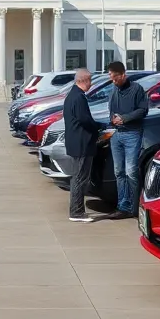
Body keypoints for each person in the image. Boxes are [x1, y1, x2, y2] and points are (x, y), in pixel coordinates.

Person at [105, 61, 149, 218]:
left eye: (115, 77)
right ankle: (122, 205)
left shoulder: (136, 89)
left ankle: (133, 206)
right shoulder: (114, 90)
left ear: (123, 74)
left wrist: (124, 118)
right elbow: (111, 109)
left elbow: (143, 110)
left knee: (131, 171)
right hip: (116, 134)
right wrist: (113, 119)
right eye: (111, 77)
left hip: (132, 134)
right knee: (119, 171)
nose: (113, 80)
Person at [62, 68, 101, 223]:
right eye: (90, 80)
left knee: (77, 177)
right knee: (80, 178)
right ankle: (77, 212)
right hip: (81, 143)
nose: (91, 84)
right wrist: (97, 127)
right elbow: (84, 120)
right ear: (83, 80)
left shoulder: (72, 95)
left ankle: (76, 210)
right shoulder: (78, 97)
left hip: (75, 142)